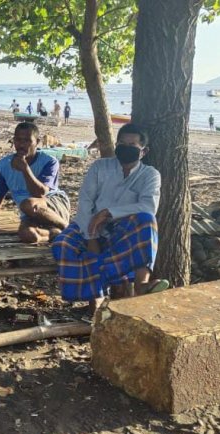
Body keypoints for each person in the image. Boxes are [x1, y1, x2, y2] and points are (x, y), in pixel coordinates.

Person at [52, 123, 169, 317]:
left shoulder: (150, 175)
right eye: (121, 143)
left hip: (122, 230)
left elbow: (148, 207)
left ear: (144, 151)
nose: (125, 148)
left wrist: (108, 212)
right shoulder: (100, 167)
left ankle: (141, 286)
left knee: (147, 221)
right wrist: (91, 237)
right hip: (88, 223)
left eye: (131, 145)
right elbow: (85, 201)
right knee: (63, 244)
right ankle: (95, 304)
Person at [0, 122, 70, 243]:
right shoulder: (3, 165)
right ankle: (54, 234)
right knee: (27, 235)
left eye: (27, 141)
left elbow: (40, 193)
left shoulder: (49, 162)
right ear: (13, 141)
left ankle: (68, 228)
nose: (22, 145)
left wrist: (25, 169)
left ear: (37, 142)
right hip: (29, 211)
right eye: (18, 140)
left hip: (52, 204)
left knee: (27, 204)